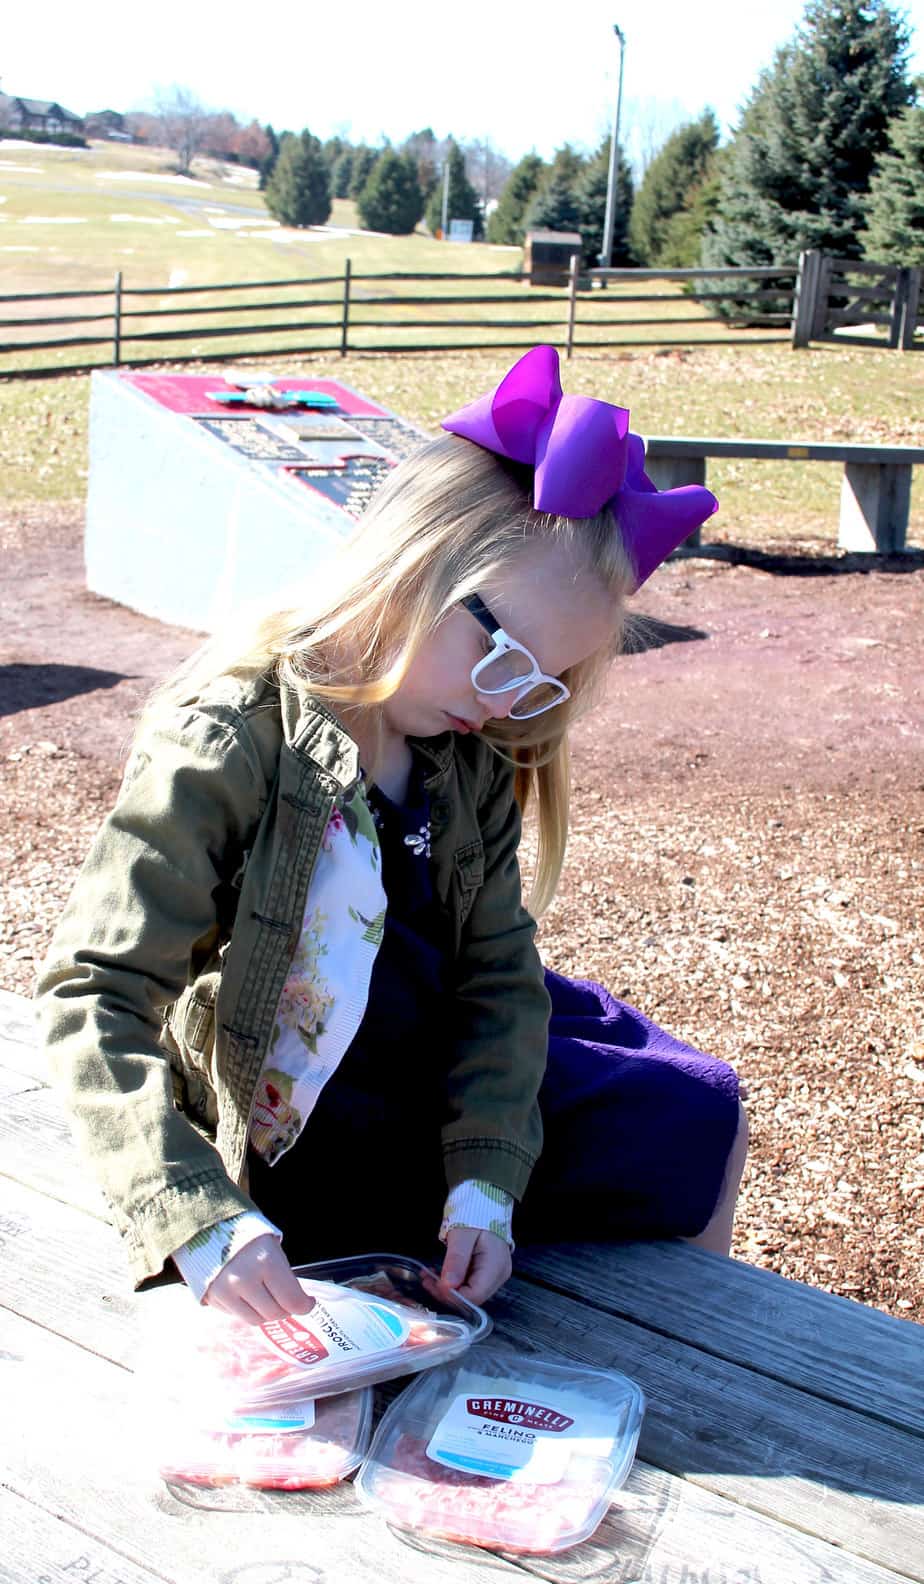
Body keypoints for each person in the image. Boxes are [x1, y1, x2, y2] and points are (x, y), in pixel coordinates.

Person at [35, 346, 747, 1326]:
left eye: (543, 683)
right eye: (504, 658)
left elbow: (500, 976)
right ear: (413, 563)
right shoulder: (230, 738)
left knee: (701, 1113)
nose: (509, 708)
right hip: (300, 1117)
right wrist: (191, 1214)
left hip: (431, 1083)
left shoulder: (471, 753)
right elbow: (95, 990)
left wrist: (487, 1182)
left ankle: (716, 1368)